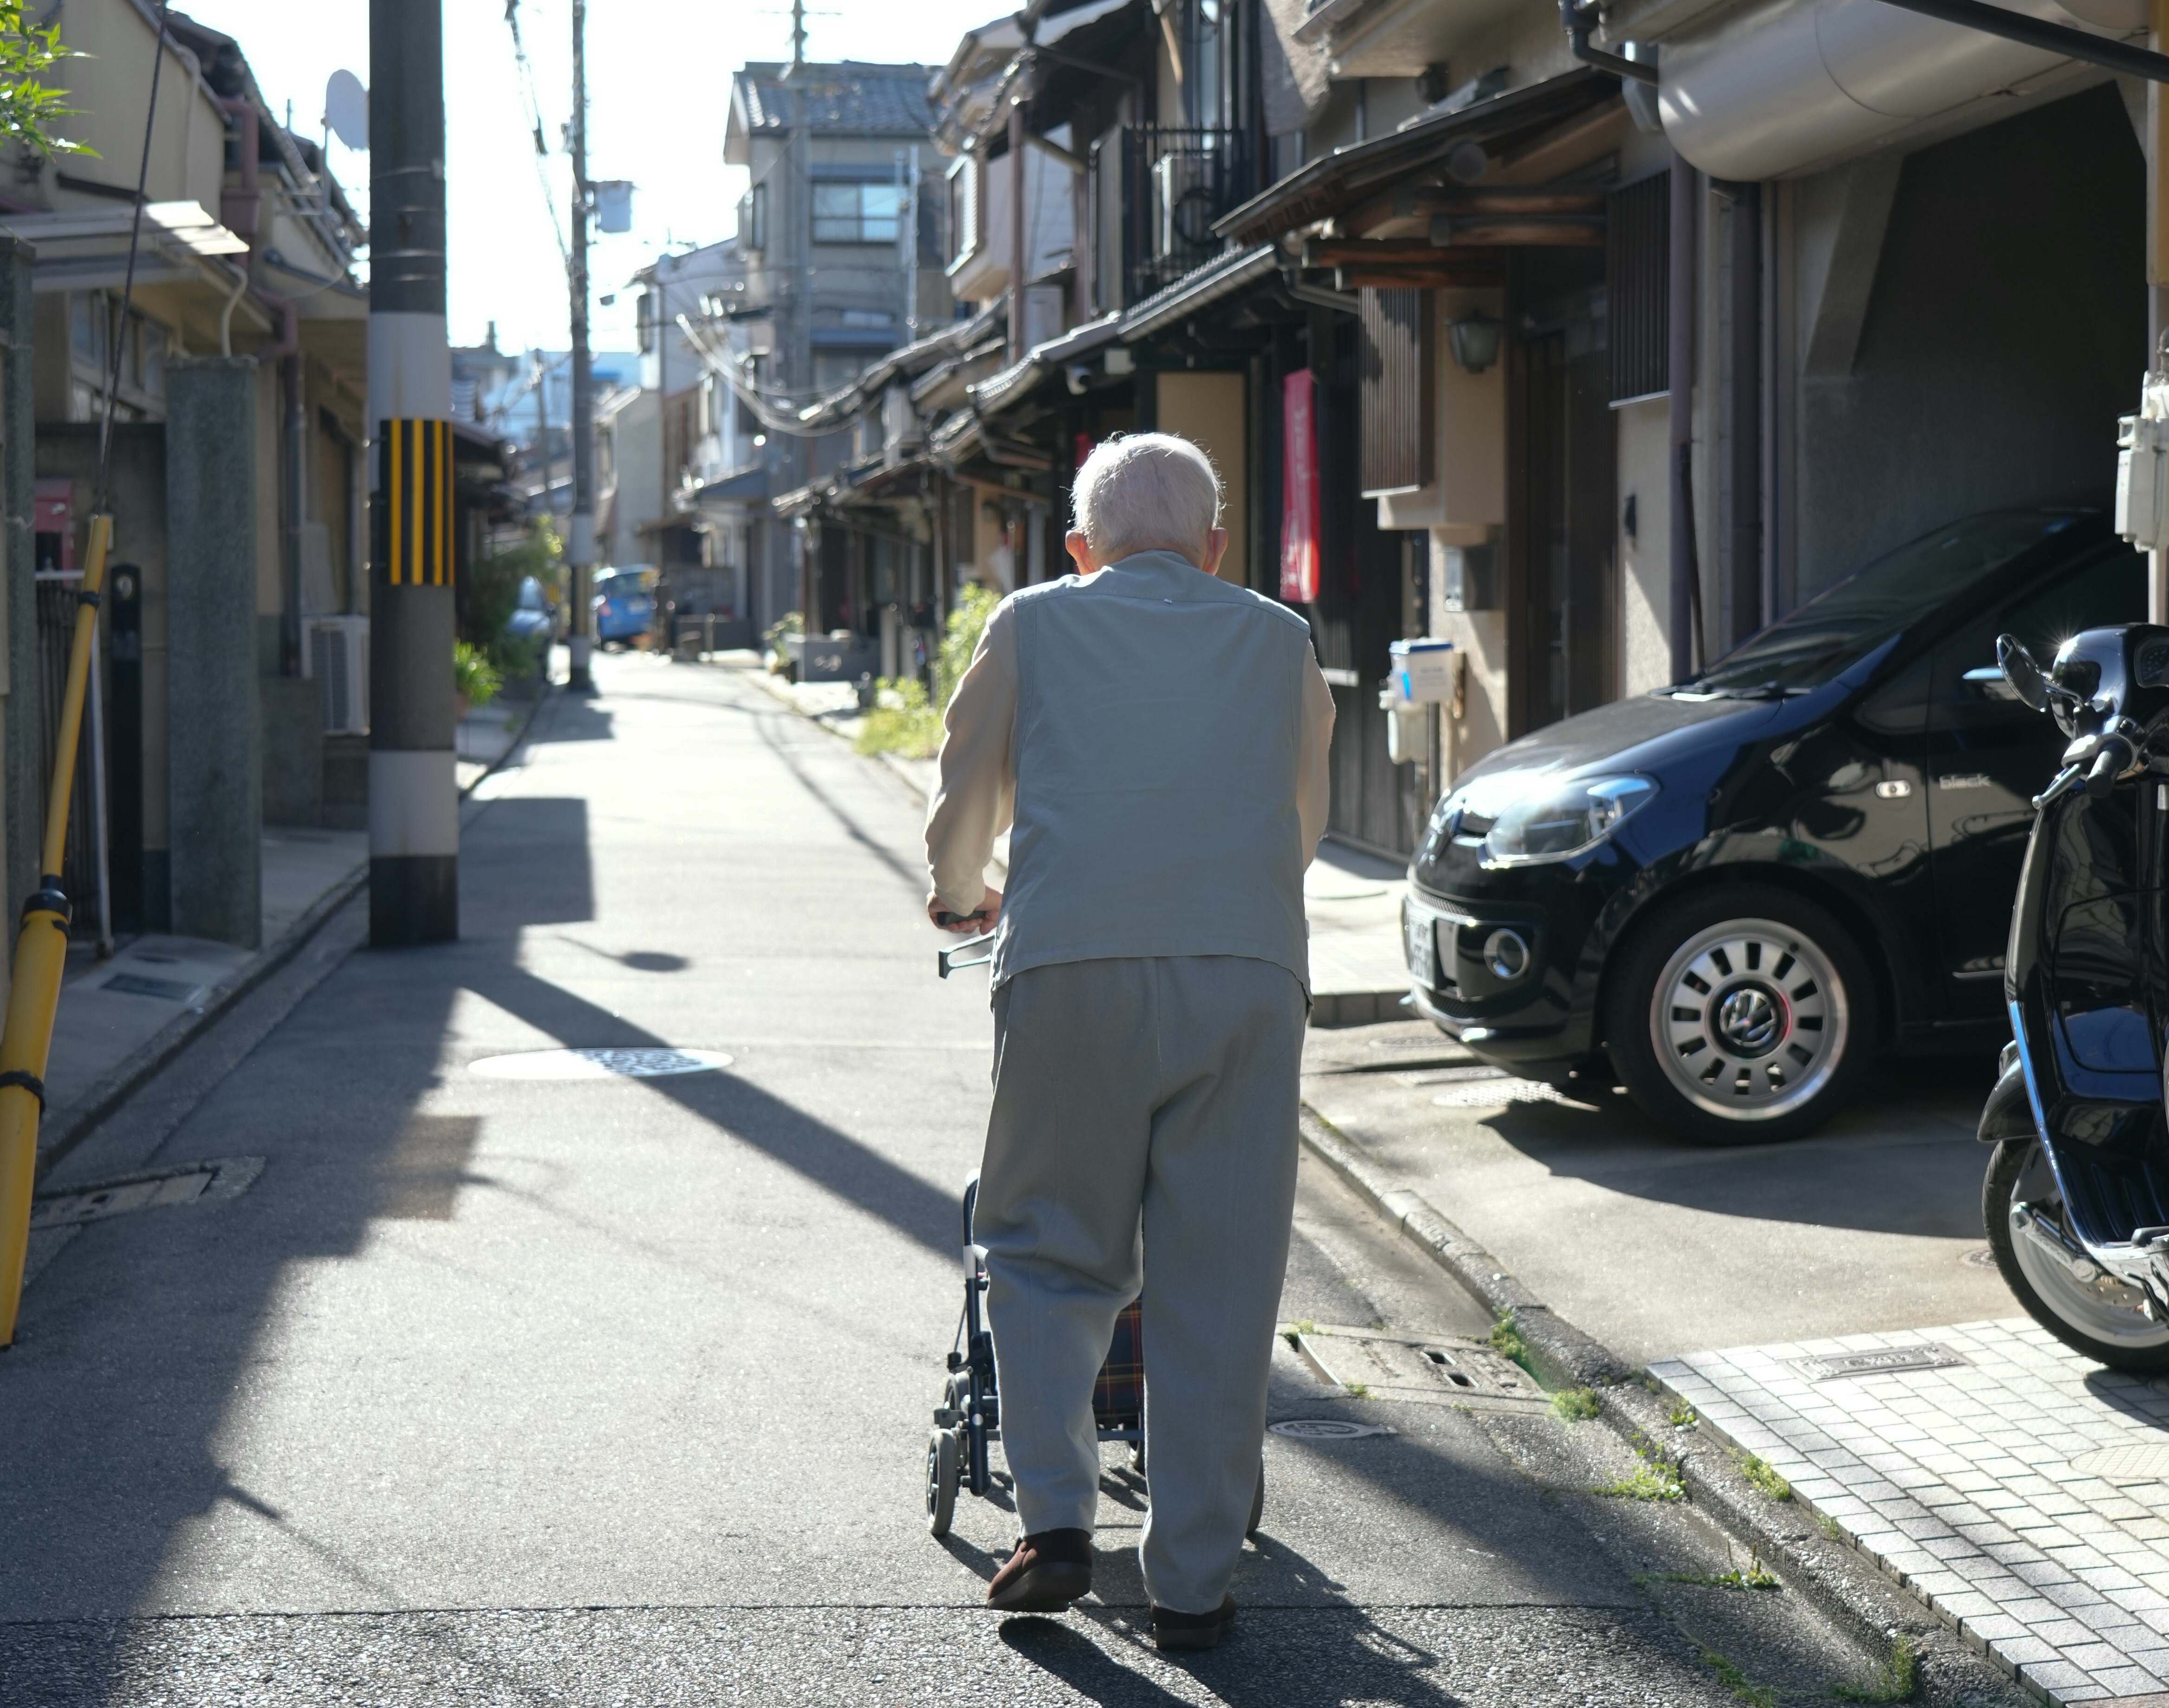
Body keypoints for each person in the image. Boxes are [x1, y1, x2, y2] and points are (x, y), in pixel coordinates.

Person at [923, 433, 1334, 1651]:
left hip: (1069, 972)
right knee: (1218, 1278)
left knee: (1048, 1247)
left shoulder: (1036, 621)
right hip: (1245, 973)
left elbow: (968, 778)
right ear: (1216, 547)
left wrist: (960, 892)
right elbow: (1300, 810)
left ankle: (1055, 1522)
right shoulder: (1278, 636)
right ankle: (1194, 1584)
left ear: (1079, 548)